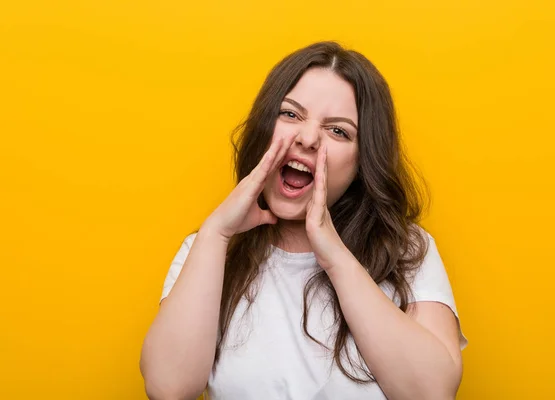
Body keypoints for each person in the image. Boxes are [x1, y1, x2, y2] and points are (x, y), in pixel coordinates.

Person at [140, 41, 468, 400]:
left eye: (338, 131)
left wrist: (334, 256)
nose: (308, 138)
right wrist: (216, 233)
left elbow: (432, 392)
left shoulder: (407, 251)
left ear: (362, 162)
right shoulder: (209, 250)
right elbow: (168, 388)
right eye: (291, 114)